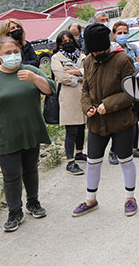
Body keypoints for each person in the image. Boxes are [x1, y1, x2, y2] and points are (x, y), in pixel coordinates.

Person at [0, 37, 55, 232]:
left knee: (31, 169)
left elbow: (50, 89)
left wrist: (35, 78)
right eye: (7, 53)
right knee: (11, 175)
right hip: (5, 135)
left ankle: (33, 203)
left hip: (30, 132)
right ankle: (14, 212)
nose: (13, 56)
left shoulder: (30, 71)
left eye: (16, 52)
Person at [72, 24, 139, 219]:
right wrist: (87, 107)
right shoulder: (88, 61)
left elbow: (132, 93)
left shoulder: (123, 59)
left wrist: (108, 104)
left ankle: (130, 198)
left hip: (120, 121)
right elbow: (85, 90)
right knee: (93, 162)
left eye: (99, 50)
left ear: (106, 46)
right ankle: (90, 200)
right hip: (96, 123)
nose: (96, 54)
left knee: (125, 160)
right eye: (92, 51)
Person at [51, 31, 87, 176]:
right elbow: (60, 76)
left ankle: (79, 152)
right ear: (59, 44)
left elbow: (89, 71)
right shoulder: (56, 58)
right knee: (71, 129)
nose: (67, 42)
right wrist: (79, 76)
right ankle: (70, 161)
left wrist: (75, 72)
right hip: (68, 96)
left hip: (83, 95)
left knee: (81, 126)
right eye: (63, 41)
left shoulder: (82, 55)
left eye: (69, 39)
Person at [112, 21, 139, 160]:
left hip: (135, 87)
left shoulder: (133, 47)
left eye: (125, 32)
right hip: (119, 90)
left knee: (135, 117)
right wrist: (134, 63)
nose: (123, 35)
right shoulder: (111, 50)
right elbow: (115, 70)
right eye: (119, 33)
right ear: (114, 35)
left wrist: (132, 65)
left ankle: (134, 148)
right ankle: (113, 151)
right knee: (119, 120)